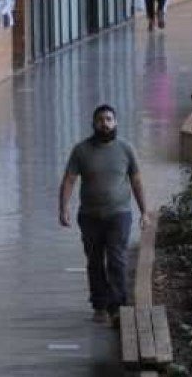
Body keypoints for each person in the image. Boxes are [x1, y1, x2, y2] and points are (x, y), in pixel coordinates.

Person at [59, 104, 150, 326]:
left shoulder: (126, 149)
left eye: (109, 119)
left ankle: (118, 306)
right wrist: (63, 208)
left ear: (115, 122)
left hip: (119, 213)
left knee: (117, 258)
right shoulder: (81, 150)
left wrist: (144, 212)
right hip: (90, 216)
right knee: (95, 261)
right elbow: (69, 179)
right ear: (94, 124)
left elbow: (136, 181)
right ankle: (100, 305)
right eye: (100, 120)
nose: (105, 123)